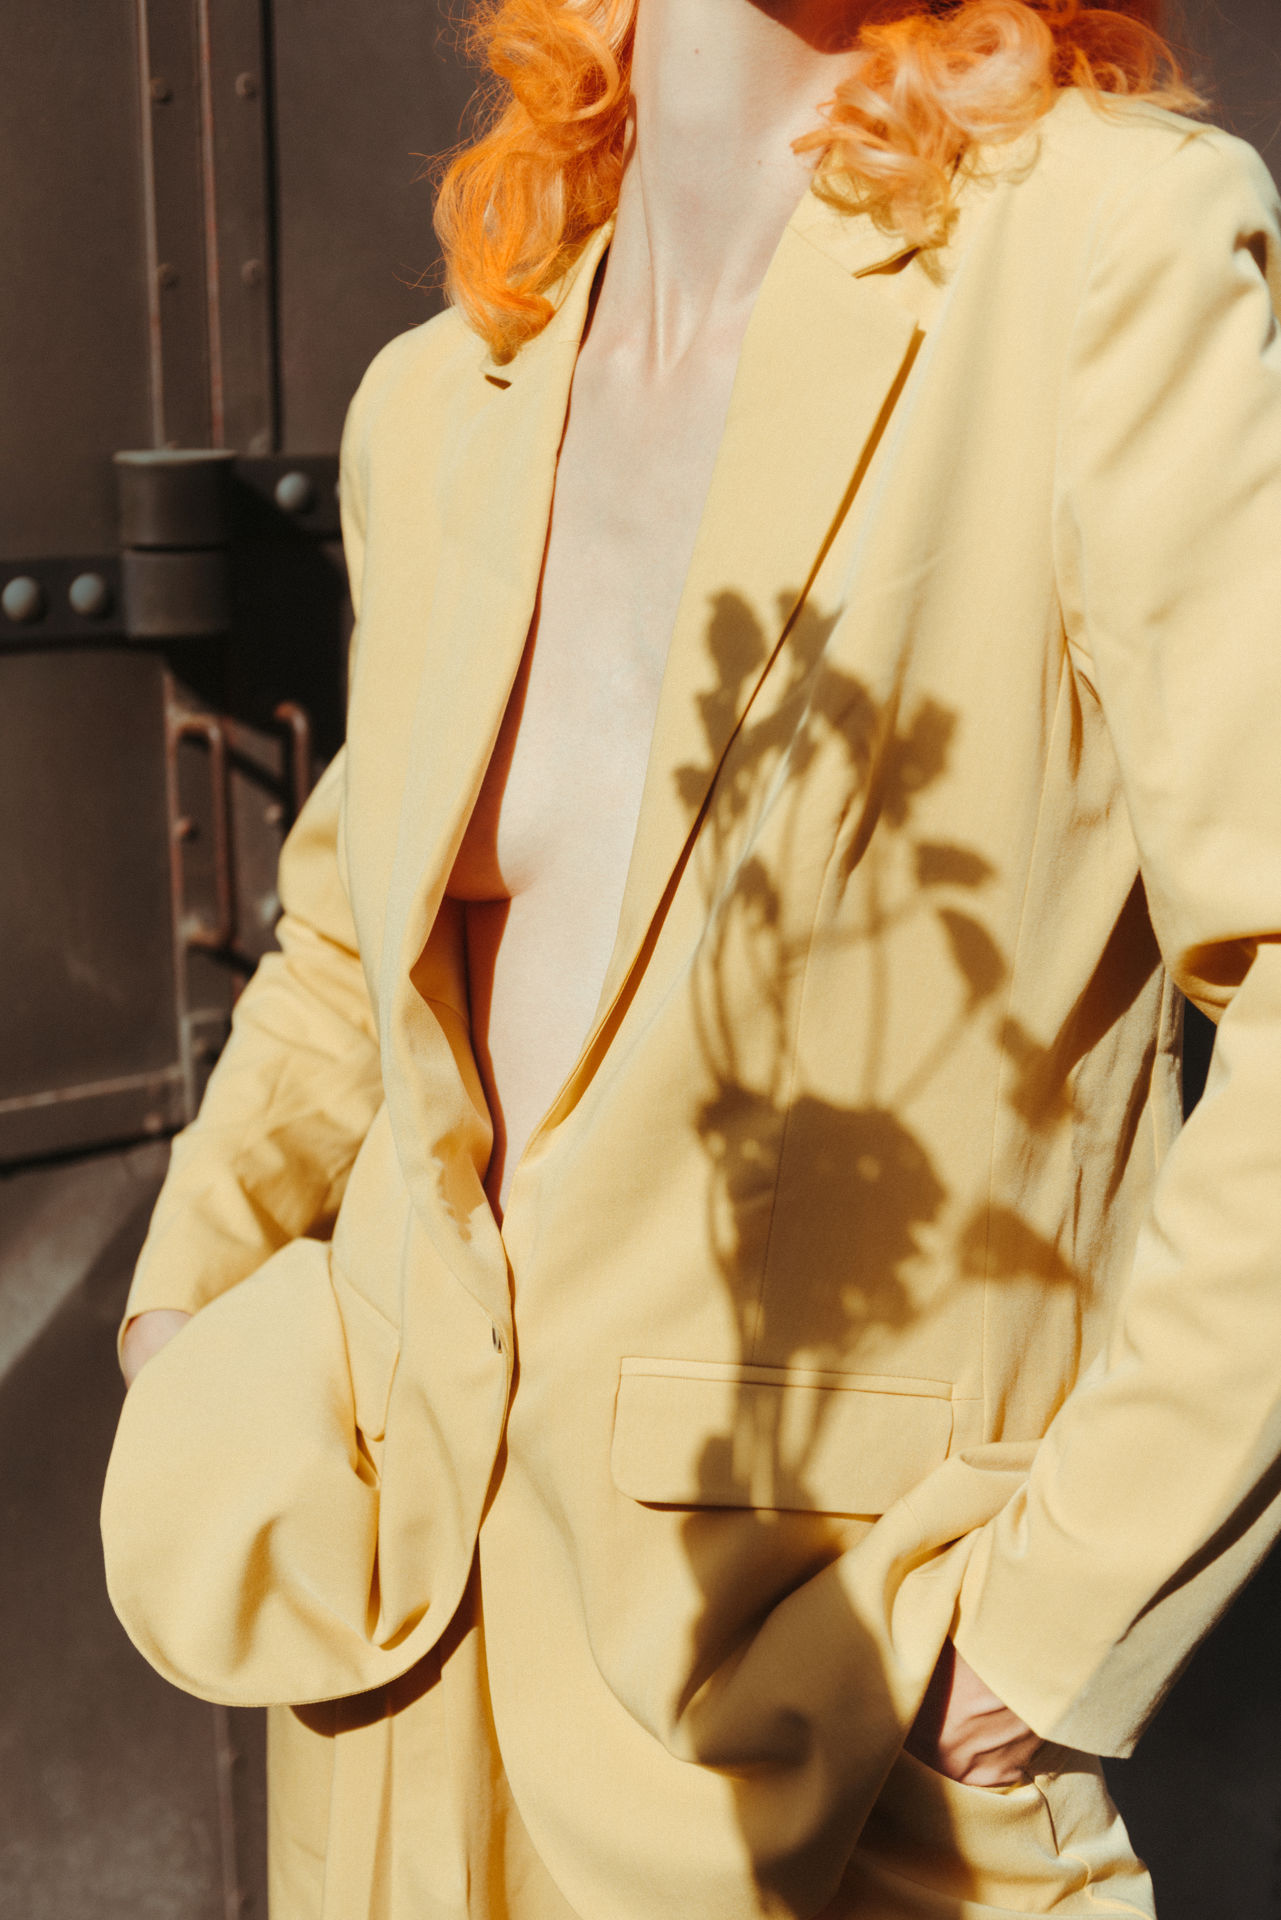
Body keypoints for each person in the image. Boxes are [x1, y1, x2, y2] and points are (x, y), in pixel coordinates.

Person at [102, 0, 1281, 1913]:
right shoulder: (446, 389)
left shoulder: (1102, 253)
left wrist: (1051, 1628)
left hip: (826, 1712)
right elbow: (351, 937)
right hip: (388, 1662)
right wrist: (182, 1316)